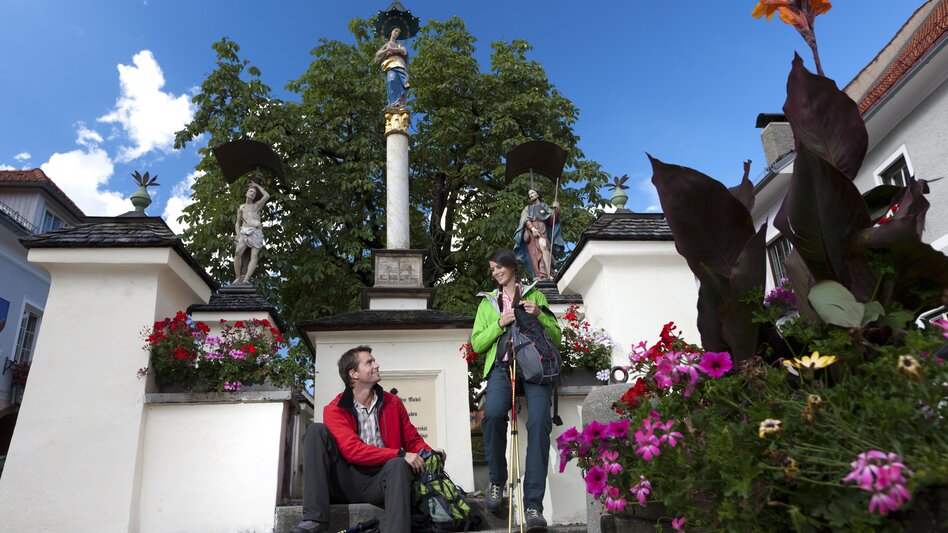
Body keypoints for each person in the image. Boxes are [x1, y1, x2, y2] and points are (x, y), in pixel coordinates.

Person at [290, 346, 443, 533]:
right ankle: (314, 520)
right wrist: (400, 454)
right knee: (316, 430)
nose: (376, 365)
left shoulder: (393, 403)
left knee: (397, 465)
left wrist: (430, 453)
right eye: (369, 362)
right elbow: (352, 450)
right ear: (353, 374)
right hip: (346, 481)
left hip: (382, 482)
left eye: (374, 361)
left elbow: (412, 440)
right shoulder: (335, 409)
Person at [470, 249, 562, 532]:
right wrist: (500, 323)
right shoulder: (487, 303)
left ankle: (534, 506)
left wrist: (539, 316)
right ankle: (496, 482)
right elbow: (476, 343)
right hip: (501, 367)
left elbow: (557, 335)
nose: (496, 272)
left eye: (499, 267)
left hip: (535, 369)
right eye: (492, 269)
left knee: (539, 423)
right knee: (494, 414)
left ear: (512, 266)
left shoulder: (536, 294)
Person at [513, 189, 565, 281]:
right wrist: (532, 228)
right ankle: (540, 275)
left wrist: (556, 210)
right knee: (534, 254)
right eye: (529, 194)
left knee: (544, 247)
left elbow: (551, 219)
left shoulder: (544, 206)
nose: (531, 195)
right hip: (531, 232)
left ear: (537, 194)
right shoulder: (527, 208)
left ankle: (549, 273)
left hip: (542, 229)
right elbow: (524, 219)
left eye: (532, 193)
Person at [233, 181, 269, 283]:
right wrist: (238, 234)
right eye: (251, 191)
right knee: (237, 253)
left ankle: (246, 279)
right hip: (244, 232)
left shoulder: (257, 205)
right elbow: (237, 223)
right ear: (246, 193)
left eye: (254, 193)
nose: (252, 193)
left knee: (254, 256)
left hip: (256, 232)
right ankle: (237, 277)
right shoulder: (241, 207)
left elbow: (266, 195)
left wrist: (257, 185)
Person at [374, 27, 409, 110]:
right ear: (391, 32)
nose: (397, 33)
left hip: (400, 65)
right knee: (391, 80)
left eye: (398, 33)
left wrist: (392, 49)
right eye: (395, 31)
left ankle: (400, 102)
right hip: (391, 64)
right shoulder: (386, 45)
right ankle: (393, 102)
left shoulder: (400, 45)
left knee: (403, 83)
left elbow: (404, 51)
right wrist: (387, 50)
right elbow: (378, 54)